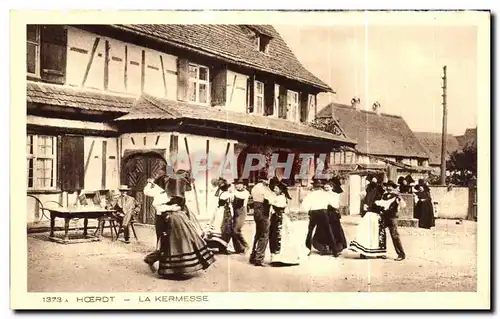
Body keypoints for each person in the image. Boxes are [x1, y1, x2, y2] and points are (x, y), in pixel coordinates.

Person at [143, 171, 215, 277]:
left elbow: (183, 201)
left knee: (178, 242)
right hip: (164, 219)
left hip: (176, 218)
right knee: (165, 243)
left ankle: (176, 267)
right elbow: (155, 203)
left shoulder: (176, 190)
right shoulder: (159, 191)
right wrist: (150, 183)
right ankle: (153, 260)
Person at [347, 177, 387, 259]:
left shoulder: (381, 191)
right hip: (370, 213)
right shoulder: (369, 189)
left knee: (377, 233)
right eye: (372, 180)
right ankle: (363, 251)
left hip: (377, 214)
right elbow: (365, 201)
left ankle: (379, 252)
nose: (373, 181)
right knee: (366, 232)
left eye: (375, 180)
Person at [302, 179, 340, 257]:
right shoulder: (325, 194)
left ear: (314, 187)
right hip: (323, 212)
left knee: (310, 231)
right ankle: (335, 251)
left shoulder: (311, 194)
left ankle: (307, 249)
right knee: (329, 231)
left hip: (314, 212)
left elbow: (304, 204)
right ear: (321, 187)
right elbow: (334, 205)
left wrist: (309, 209)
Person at [268, 181, 301, 266]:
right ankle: (275, 258)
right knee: (274, 236)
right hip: (275, 218)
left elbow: (280, 207)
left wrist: (271, 203)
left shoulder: (282, 197)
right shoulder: (276, 196)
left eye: (276, 188)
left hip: (280, 219)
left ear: (281, 190)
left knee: (280, 236)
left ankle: (282, 258)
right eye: (274, 188)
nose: (274, 189)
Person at [312, 178, 347, 254]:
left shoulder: (335, 195)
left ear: (332, 187)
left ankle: (336, 248)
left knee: (334, 231)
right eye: (325, 188)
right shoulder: (322, 195)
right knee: (322, 231)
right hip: (324, 214)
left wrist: (329, 203)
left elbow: (336, 205)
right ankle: (324, 248)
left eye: (328, 187)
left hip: (333, 215)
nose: (326, 189)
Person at [376, 180, 406, 261]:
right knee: (381, 234)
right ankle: (381, 252)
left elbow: (403, 205)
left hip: (392, 217)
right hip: (384, 216)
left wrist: (399, 201)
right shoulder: (384, 195)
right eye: (387, 186)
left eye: (390, 186)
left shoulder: (396, 196)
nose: (388, 188)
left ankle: (401, 254)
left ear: (393, 187)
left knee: (395, 235)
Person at [249, 177, 273, 267]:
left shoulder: (255, 187)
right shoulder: (264, 189)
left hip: (256, 211)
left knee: (258, 234)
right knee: (264, 235)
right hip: (263, 211)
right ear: (265, 181)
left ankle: (253, 256)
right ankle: (259, 259)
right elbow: (270, 200)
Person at [205, 178, 234, 254]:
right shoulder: (225, 194)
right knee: (223, 228)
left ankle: (221, 247)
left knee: (222, 228)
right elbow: (231, 199)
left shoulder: (222, 194)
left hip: (221, 212)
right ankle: (222, 247)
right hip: (222, 212)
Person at [231, 179, 250, 254]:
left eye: (239, 184)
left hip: (242, 211)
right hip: (235, 211)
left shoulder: (245, 192)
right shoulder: (235, 192)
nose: (237, 186)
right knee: (233, 230)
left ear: (243, 185)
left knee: (236, 230)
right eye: (237, 184)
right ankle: (238, 249)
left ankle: (245, 245)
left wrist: (233, 193)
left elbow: (240, 196)